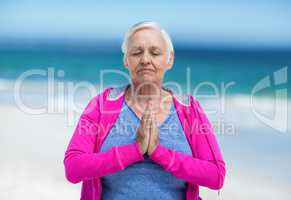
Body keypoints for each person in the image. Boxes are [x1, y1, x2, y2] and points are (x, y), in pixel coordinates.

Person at [63, 21, 226, 200]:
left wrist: (159, 153)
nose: (145, 60)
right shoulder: (101, 105)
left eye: (155, 52)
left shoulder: (189, 109)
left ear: (169, 59)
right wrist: (134, 150)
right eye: (136, 52)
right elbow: (73, 168)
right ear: (126, 60)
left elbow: (216, 175)